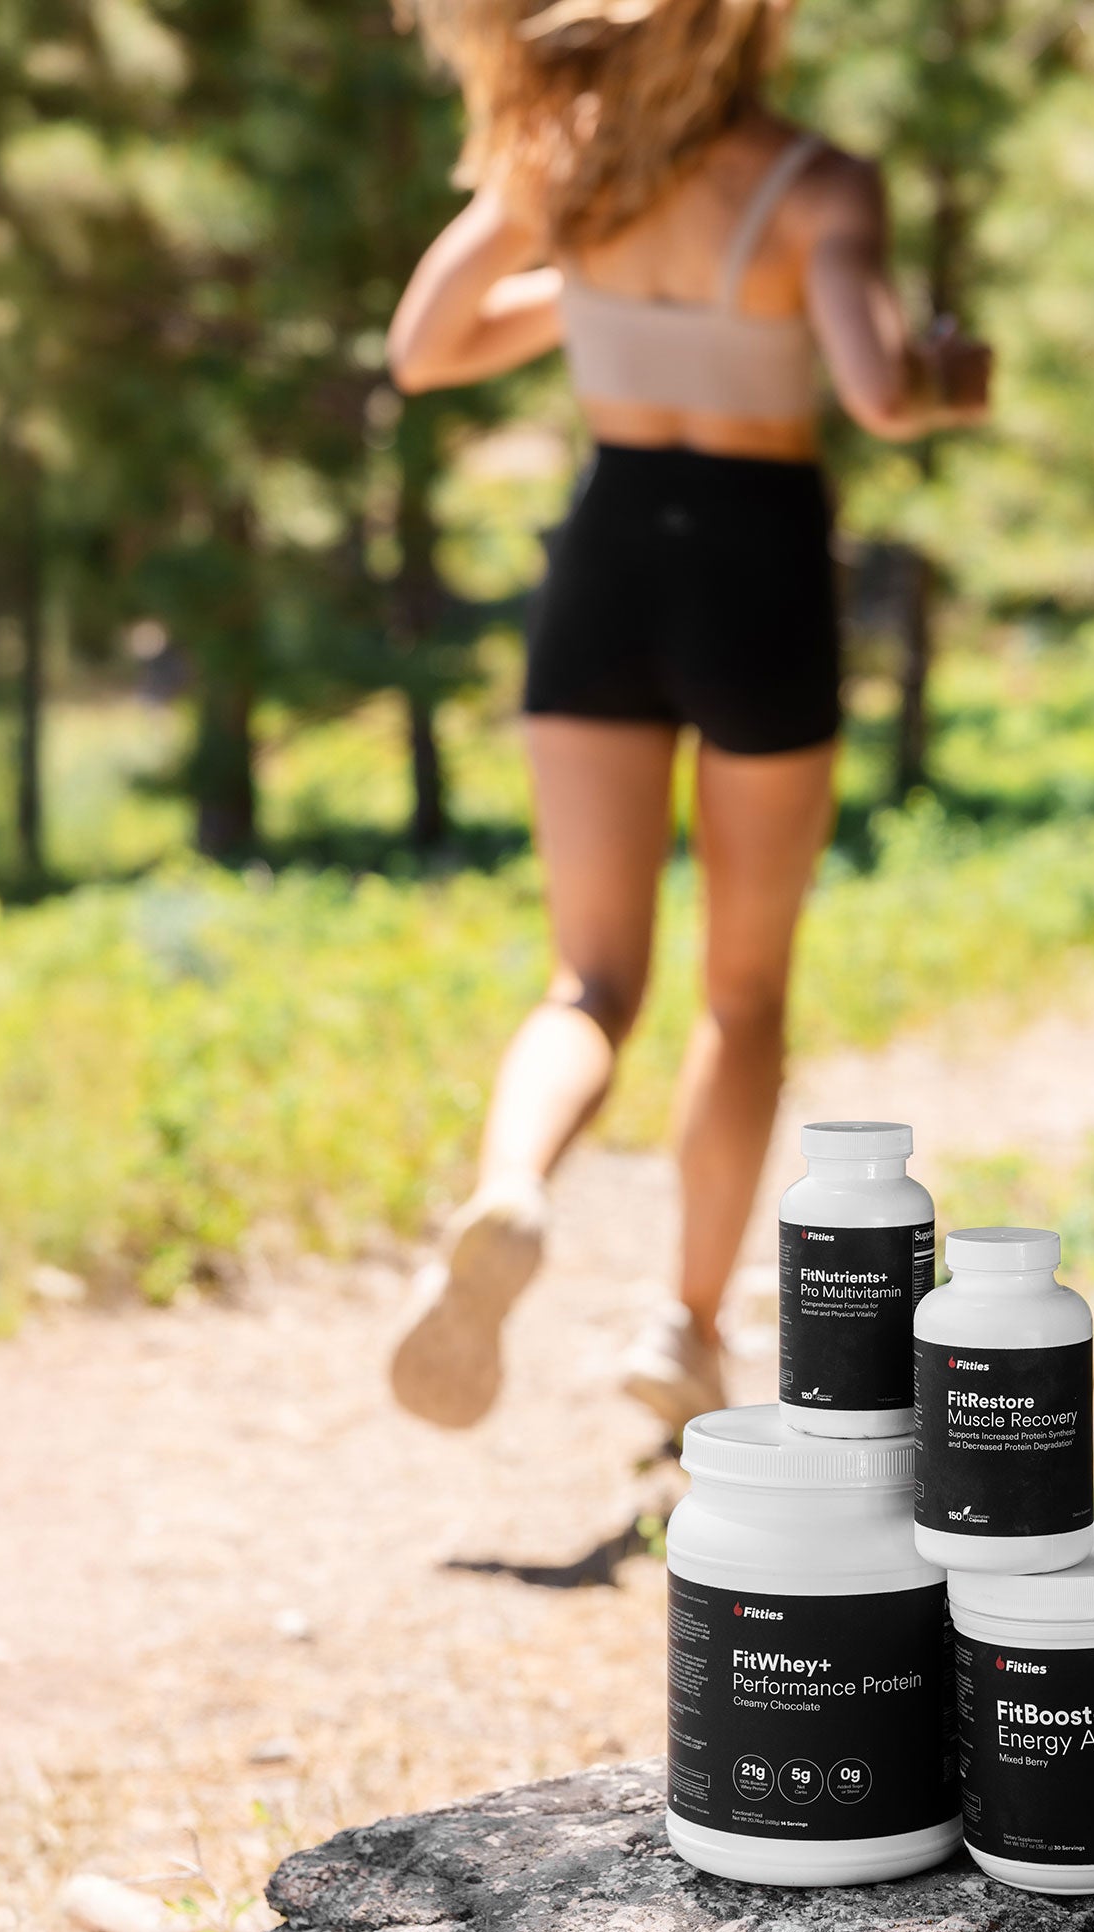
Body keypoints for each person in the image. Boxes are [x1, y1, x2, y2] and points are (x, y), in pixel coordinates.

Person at [383, 0, 990, 1434]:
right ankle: (686, 1324)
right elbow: (873, 390)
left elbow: (425, 346)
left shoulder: (565, 159)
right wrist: (950, 384)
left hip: (603, 561)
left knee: (590, 976)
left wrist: (596, 296)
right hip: (755, 562)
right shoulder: (819, 182)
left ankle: (513, 1189)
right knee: (742, 987)